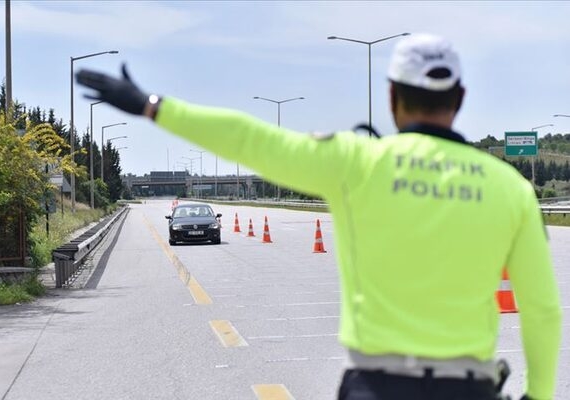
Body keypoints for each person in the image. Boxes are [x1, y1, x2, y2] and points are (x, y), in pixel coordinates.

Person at [76, 33, 561, 400]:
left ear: (392, 97)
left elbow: (252, 139)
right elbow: (541, 310)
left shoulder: (359, 163)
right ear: (459, 99)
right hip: (469, 389)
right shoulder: (511, 189)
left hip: (376, 386)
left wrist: (151, 106)